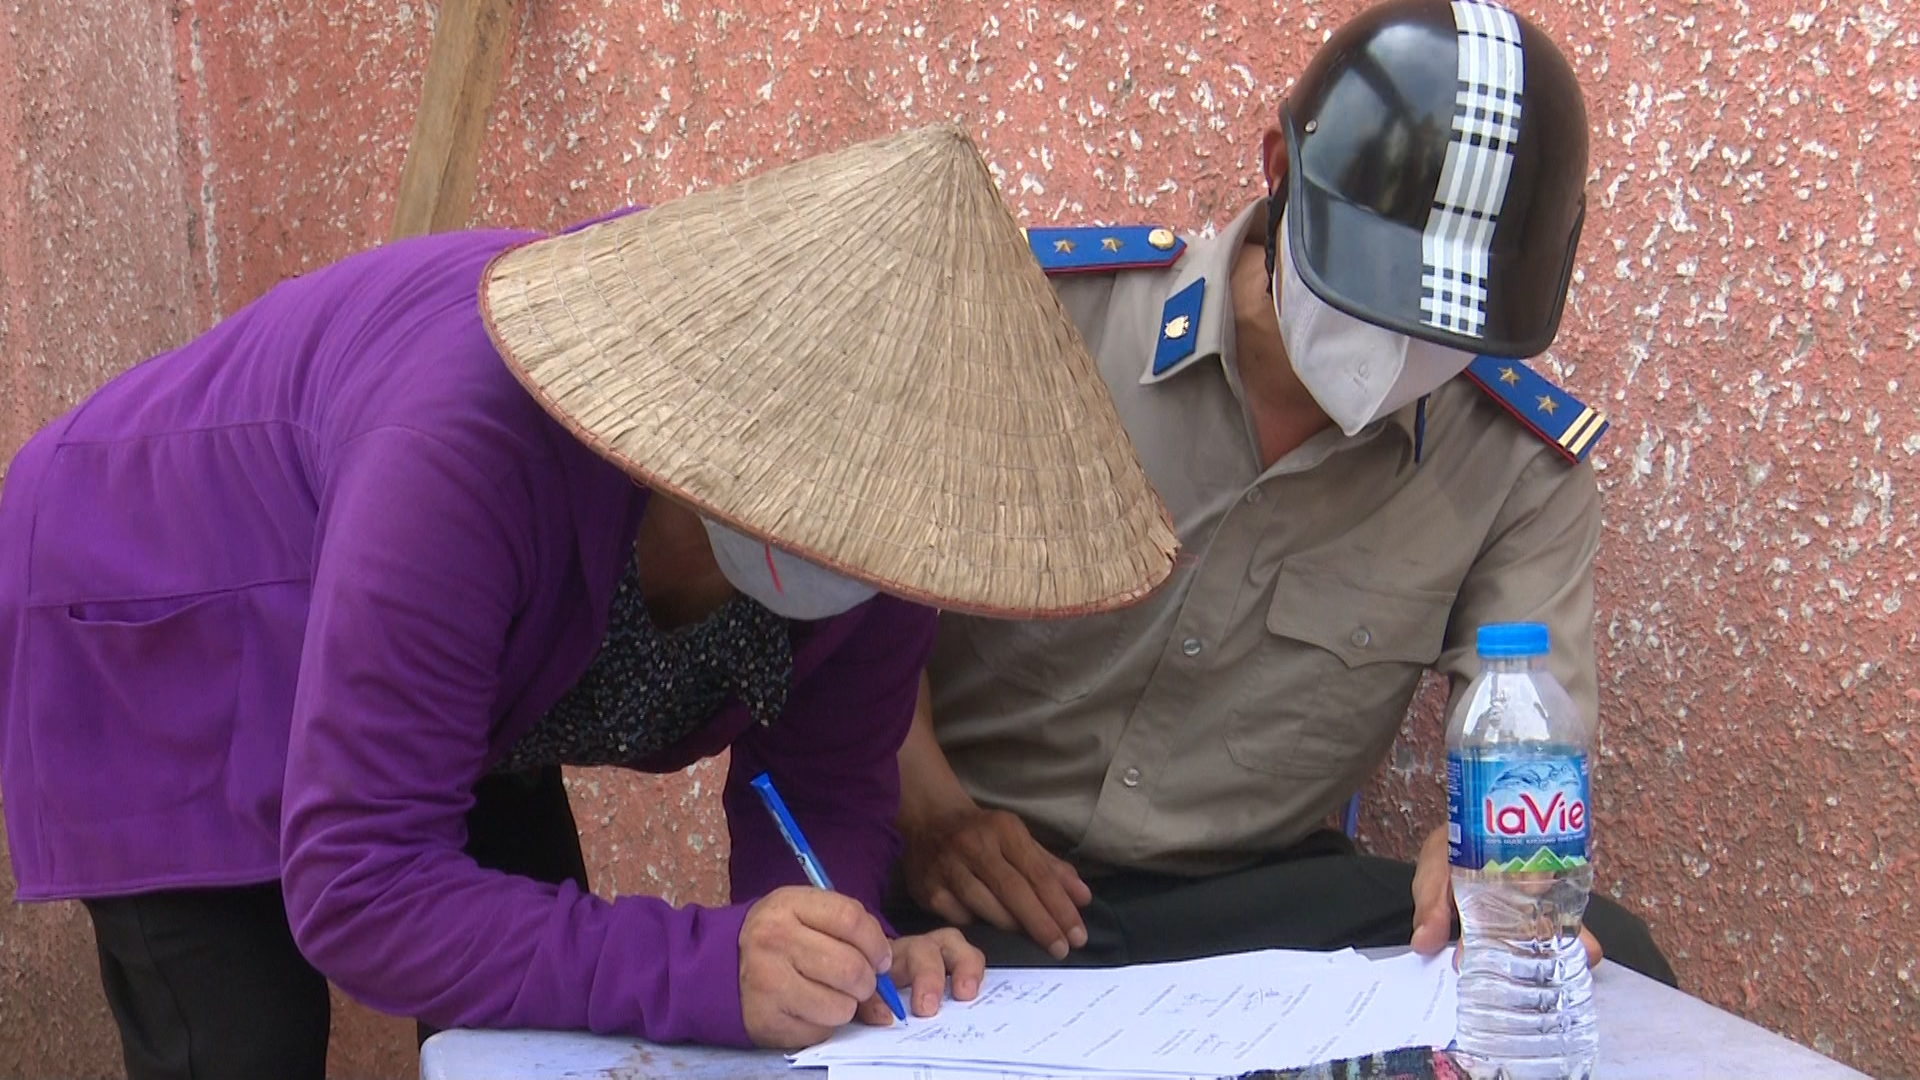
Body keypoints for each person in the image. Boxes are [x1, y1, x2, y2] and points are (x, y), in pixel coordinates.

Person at [0, 124, 1179, 1080]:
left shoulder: (904, 525)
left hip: (467, 684)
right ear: (711, 409)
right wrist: (711, 971)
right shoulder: (466, 452)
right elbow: (361, 890)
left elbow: (823, 784)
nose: (855, 537)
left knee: (533, 1037)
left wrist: (837, 951)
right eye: (824, 487)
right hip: (161, 609)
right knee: (241, 1042)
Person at [888, 0, 1678, 987]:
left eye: (1451, 322)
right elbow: (849, 605)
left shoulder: (1517, 468)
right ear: (1278, 170)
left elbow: (1529, 714)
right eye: (1375, 287)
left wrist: (1492, 859)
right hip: (983, 878)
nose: (1401, 347)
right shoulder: (1044, 318)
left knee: (1611, 960)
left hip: (1254, 902)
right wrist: (929, 811)